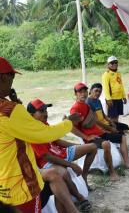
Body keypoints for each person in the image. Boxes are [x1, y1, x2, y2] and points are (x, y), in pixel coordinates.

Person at [0, 57, 81, 212]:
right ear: (3, 77)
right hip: (22, 186)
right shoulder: (10, 111)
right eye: (12, 77)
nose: (12, 82)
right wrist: (69, 122)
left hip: (4, 185)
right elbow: (44, 134)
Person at [28, 99, 95, 212]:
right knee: (63, 173)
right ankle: (80, 198)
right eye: (41, 111)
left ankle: (84, 177)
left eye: (45, 109)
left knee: (92, 147)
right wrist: (71, 165)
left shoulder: (44, 123)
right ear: (31, 115)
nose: (45, 113)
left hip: (58, 152)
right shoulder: (30, 131)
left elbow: (57, 141)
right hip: (47, 162)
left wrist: (76, 146)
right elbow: (46, 157)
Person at [70, 83, 129, 181]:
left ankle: (127, 161)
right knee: (106, 144)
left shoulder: (86, 105)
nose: (83, 94)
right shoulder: (75, 108)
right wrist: (86, 137)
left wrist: (108, 128)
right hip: (91, 136)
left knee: (122, 137)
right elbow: (71, 128)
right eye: (80, 92)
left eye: (84, 91)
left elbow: (95, 120)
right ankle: (111, 173)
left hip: (99, 133)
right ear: (75, 94)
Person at [102, 56, 127, 125]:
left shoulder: (118, 73)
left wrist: (124, 96)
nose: (114, 64)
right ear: (108, 64)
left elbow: (121, 85)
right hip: (112, 99)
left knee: (117, 115)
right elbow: (105, 87)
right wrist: (108, 99)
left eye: (116, 62)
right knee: (111, 117)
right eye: (112, 63)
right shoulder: (106, 75)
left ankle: (116, 129)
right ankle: (113, 131)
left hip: (119, 98)